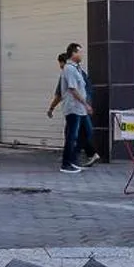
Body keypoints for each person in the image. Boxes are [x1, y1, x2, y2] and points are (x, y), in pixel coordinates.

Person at [47, 43, 95, 174]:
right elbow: (73, 89)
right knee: (72, 136)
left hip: (80, 109)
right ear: (73, 54)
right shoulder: (69, 69)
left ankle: (73, 159)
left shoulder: (77, 69)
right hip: (74, 107)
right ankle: (66, 163)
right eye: (79, 52)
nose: (81, 55)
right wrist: (86, 104)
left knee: (87, 132)